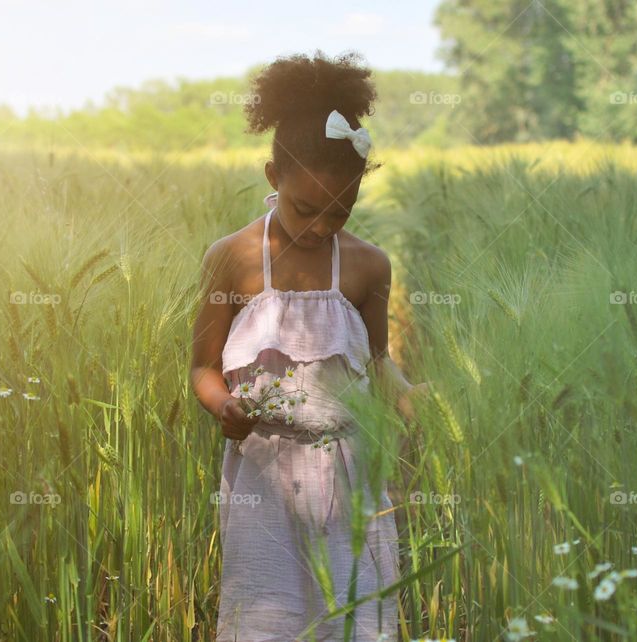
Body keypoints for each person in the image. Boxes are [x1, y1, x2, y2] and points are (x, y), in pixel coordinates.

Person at [189, 50, 429, 641]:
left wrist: (409, 397)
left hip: (351, 475)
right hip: (263, 475)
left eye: (340, 209)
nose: (322, 225)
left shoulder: (369, 266)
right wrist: (225, 407)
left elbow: (376, 363)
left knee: (355, 619)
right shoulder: (234, 259)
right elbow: (202, 366)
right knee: (266, 617)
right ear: (274, 178)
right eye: (305, 208)